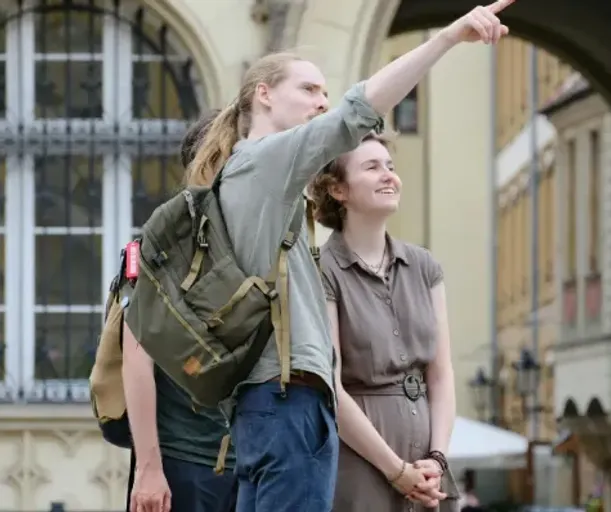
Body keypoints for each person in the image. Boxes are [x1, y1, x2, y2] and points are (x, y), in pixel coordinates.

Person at [183, 1, 517, 510]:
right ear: (264, 95)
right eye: (309, 90)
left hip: (262, 407)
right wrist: (447, 37)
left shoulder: (247, 173)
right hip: (290, 403)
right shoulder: (266, 161)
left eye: (324, 92)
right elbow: (359, 109)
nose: (322, 103)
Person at [310, 131, 455, 511]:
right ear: (337, 190)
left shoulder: (424, 266)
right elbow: (331, 387)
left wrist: (436, 459)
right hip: (361, 465)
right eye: (372, 167)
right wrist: (396, 471)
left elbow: (441, 374)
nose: (389, 175)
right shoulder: (323, 271)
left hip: (428, 469)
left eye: (390, 166)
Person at [123, 110, 238, 512]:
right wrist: (149, 469)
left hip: (255, 462)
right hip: (185, 462)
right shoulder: (163, 242)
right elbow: (136, 361)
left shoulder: (262, 242)